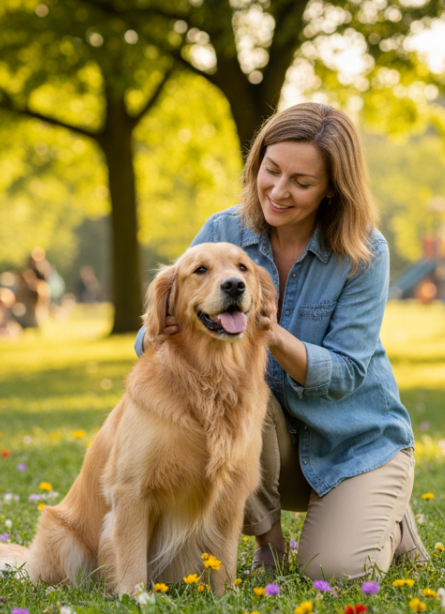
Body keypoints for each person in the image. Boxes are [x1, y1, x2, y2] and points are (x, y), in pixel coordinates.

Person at [134, 103, 430, 581]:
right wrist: (162, 325)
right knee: (232, 391)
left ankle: (389, 518)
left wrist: (270, 335)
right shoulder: (224, 232)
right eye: (270, 171)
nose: (278, 190)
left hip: (354, 446)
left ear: (333, 187)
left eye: (302, 182)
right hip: (267, 453)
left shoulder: (364, 251)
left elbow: (348, 373)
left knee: (334, 572)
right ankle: (268, 537)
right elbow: (148, 340)